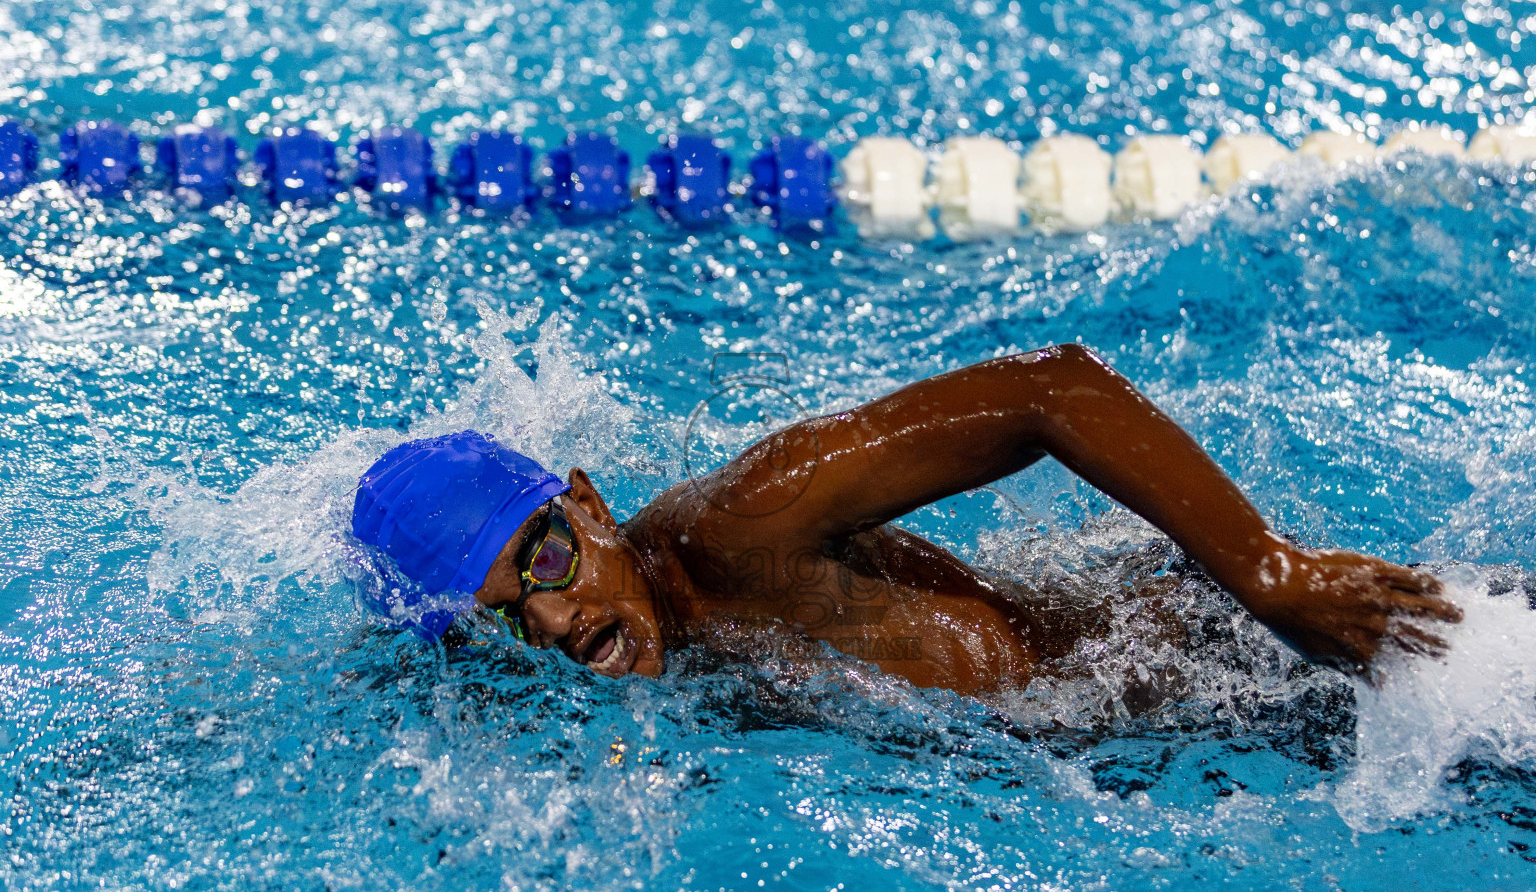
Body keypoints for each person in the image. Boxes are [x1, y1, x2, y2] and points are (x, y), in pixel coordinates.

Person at [351, 344, 1461, 695]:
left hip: (1237, 673)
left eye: (544, 559)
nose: (549, 623)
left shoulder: (746, 522)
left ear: (587, 504)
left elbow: (1053, 389)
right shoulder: (617, 662)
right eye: (501, 618)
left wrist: (1273, 574)